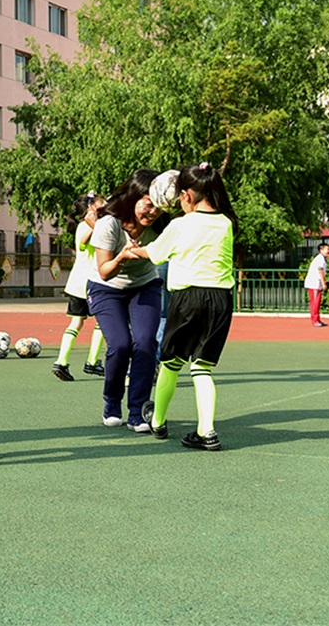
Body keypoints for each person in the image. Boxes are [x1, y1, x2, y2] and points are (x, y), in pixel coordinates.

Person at [131, 162, 237, 451]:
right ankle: (207, 432)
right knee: (202, 368)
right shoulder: (226, 222)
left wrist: (131, 250)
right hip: (221, 301)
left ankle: (158, 421)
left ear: (187, 195)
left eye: (179, 196)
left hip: (188, 299)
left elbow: (153, 254)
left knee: (171, 362)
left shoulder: (180, 224)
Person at [87, 169, 166, 432]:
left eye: (159, 207)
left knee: (144, 343)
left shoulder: (162, 227)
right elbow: (104, 271)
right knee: (120, 344)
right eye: (148, 204)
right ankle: (111, 402)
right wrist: (122, 257)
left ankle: (138, 410)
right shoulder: (109, 224)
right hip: (106, 288)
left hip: (144, 286)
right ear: (133, 197)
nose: (152, 212)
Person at [52, 192, 107, 381]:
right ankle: (92, 362)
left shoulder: (81, 226)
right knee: (102, 322)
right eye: (101, 203)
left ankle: (61, 361)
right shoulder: (89, 227)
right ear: (92, 208)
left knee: (76, 322)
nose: (105, 204)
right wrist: (95, 227)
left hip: (76, 283)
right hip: (93, 282)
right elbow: (84, 242)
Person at [304, 243, 329, 327]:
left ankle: (317, 319)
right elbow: (320, 271)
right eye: (327, 249)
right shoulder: (320, 259)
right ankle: (315, 320)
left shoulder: (322, 258)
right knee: (315, 303)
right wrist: (324, 283)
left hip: (316, 284)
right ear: (321, 250)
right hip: (314, 284)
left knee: (317, 302)